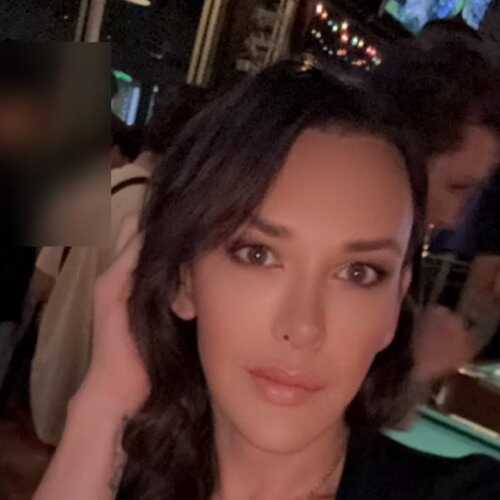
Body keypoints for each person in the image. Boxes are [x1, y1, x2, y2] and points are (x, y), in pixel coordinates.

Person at [34, 60, 500, 500]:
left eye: (358, 273)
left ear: (395, 303)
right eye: (257, 254)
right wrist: (104, 402)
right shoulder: (117, 479)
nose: (303, 327)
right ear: (184, 279)